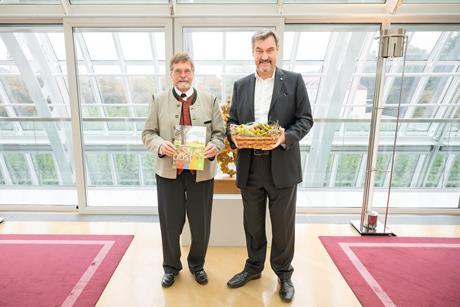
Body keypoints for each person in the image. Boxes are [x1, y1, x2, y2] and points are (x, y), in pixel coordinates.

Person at [226, 29, 313, 302]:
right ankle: (253, 267)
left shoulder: (294, 81)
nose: (265, 56)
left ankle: (284, 274)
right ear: (253, 53)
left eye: (269, 50)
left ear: (277, 51)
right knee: (252, 224)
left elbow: (306, 119)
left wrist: (285, 136)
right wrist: (234, 135)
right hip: (250, 167)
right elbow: (233, 122)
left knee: (283, 227)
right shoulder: (240, 85)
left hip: (282, 167)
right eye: (259, 51)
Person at [142, 52, 225, 288]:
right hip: (169, 174)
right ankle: (171, 267)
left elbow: (220, 133)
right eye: (178, 71)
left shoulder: (210, 99)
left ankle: (197, 265)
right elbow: (147, 133)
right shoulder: (158, 99)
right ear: (171, 75)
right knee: (170, 224)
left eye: (187, 70)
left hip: (201, 175)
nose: (183, 75)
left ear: (193, 73)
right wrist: (160, 145)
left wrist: (214, 146)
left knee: (201, 225)